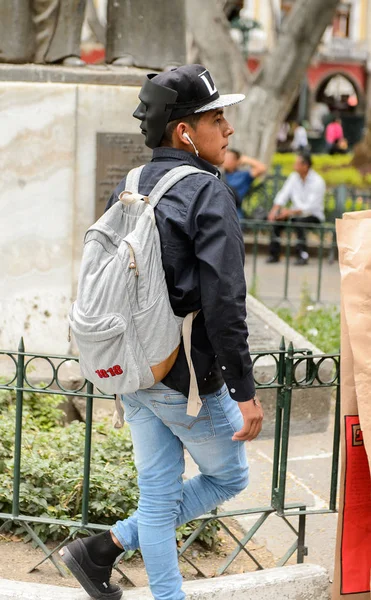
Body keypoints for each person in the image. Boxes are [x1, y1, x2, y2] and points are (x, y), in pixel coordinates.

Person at [59, 64, 264, 600]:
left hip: (132, 369)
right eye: (219, 118)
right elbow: (224, 301)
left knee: (156, 495)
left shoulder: (128, 186)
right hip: (185, 380)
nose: (229, 130)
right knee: (229, 478)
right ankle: (104, 547)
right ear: (185, 131)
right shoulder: (207, 192)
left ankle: (102, 552)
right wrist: (244, 391)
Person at [266, 151, 325, 265]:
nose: (294, 166)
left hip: (312, 215)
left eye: (297, 164)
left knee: (299, 223)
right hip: (294, 214)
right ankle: (274, 254)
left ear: (305, 166)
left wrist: (289, 212)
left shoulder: (318, 181)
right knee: (277, 222)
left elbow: (310, 206)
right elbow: (283, 194)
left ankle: (302, 255)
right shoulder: (293, 177)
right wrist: (275, 210)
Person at [223, 149, 267, 218]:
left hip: (234, 211)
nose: (226, 160)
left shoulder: (243, 176)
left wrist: (245, 159)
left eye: (229, 158)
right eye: (225, 156)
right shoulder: (217, 174)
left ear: (237, 161)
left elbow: (262, 168)